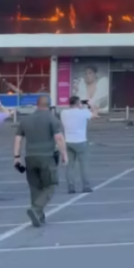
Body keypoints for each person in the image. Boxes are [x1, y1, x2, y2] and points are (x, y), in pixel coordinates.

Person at [12, 95, 68, 227]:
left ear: (36, 105)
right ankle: (36, 209)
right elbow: (59, 138)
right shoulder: (52, 119)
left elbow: (18, 139)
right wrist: (64, 154)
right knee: (51, 185)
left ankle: (39, 216)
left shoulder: (25, 120)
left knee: (35, 187)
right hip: (46, 157)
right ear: (49, 105)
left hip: (30, 158)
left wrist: (16, 158)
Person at [60, 96, 99, 194]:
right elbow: (95, 115)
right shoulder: (83, 112)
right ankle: (86, 186)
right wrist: (92, 105)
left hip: (68, 141)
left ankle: (71, 186)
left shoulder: (63, 113)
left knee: (70, 166)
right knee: (84, 165)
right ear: (78, 103)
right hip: (81, 141)